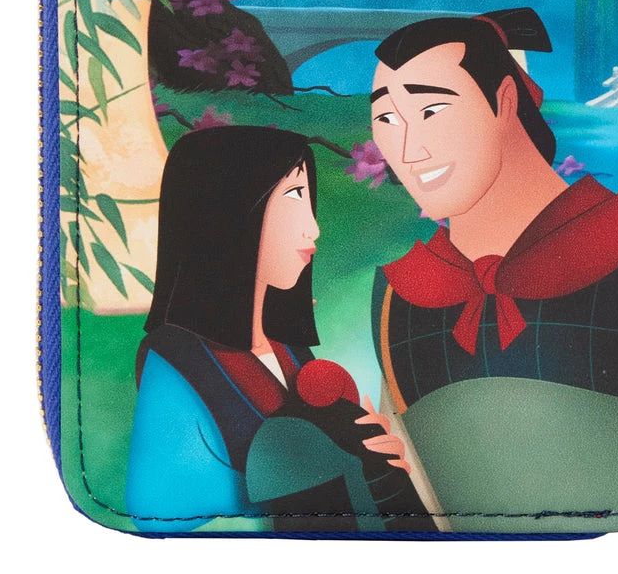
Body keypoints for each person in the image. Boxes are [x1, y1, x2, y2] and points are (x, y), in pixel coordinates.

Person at [368, 9, 618, 531]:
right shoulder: (400, 292)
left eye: (432, 110)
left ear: (505, 100)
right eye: (387, 120)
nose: (409, 151)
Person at [126, 125, 434, 534]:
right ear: (227, 210)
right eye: (293, 195)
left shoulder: (286, 347)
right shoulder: (173, 359)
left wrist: (377, 465)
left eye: (308, 198)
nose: (313, 228)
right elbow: (159, 511)